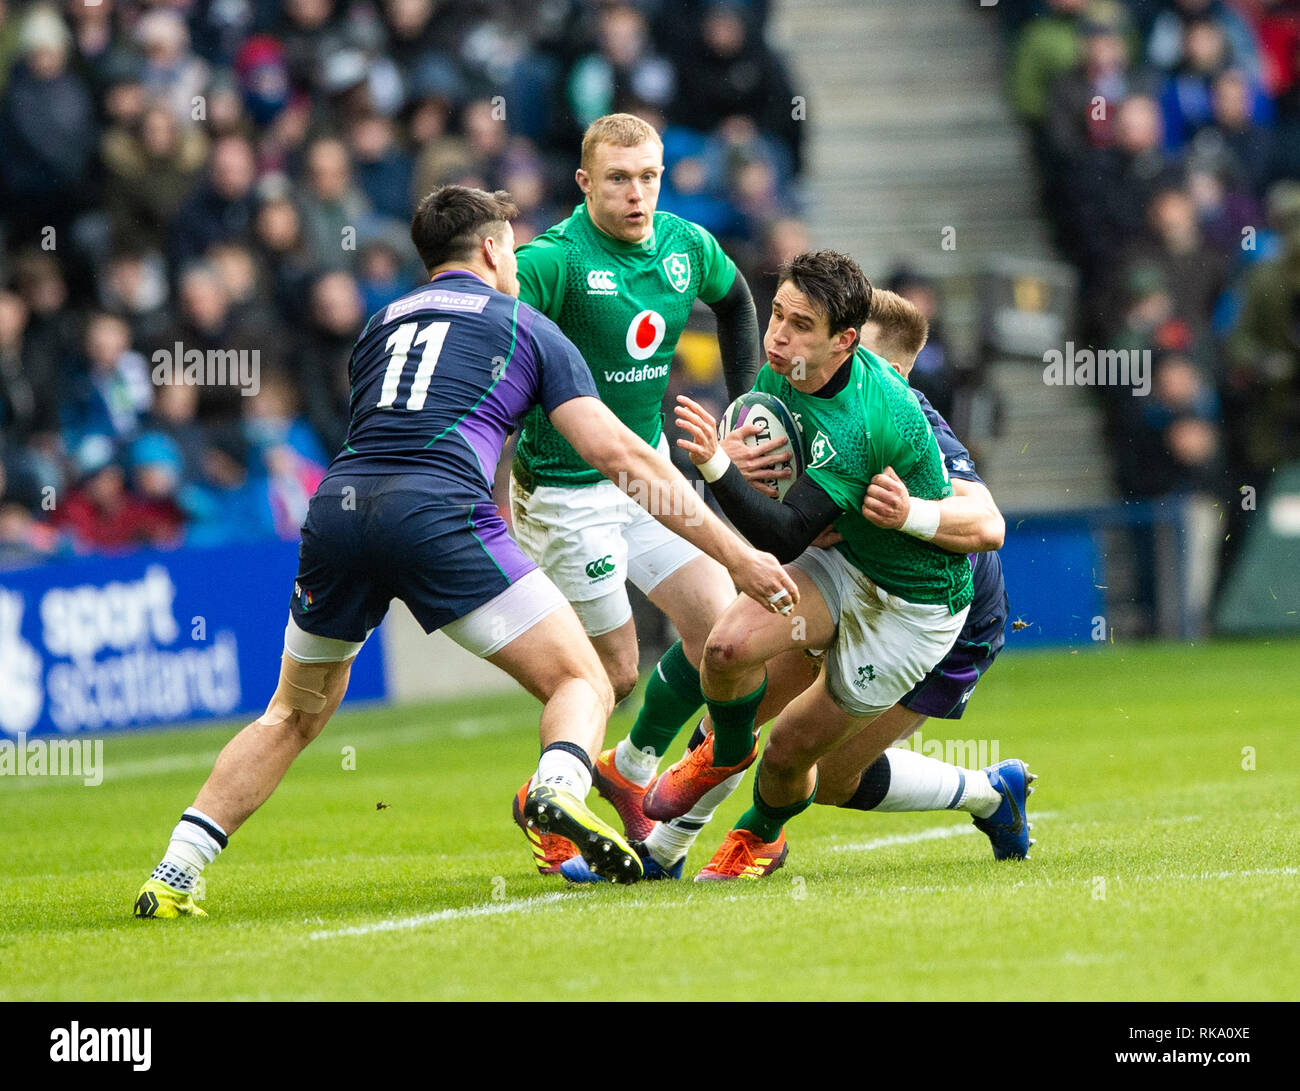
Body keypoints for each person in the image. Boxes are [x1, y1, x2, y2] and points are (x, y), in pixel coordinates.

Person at [132, 185, 797, 917]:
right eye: (510, 244)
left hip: (339, 510)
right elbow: (624, 458)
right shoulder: (529, 329)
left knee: (290, 712)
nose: (516, 258)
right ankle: (557, 791)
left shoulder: (382, 321)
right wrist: (737, 553)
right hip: (439, 511)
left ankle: (174, 871)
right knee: (586, 679)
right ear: (490, 249)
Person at [564, 290, 1034, 882]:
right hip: (851, 577)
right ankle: (663, 851)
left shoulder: (907, 424)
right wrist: (731, 466)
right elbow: (774, 521)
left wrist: (908, 512)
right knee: (739, 688)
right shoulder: (796, 397)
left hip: (945, 617)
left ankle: (991, 794)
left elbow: (988, 523)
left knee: (832, 775)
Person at [507, 113, 766, 871]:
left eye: (649, 175)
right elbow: (497, 344)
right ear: (585, 182)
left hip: (645, 469)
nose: (637, 192)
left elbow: (739, 298)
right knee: (608, 673)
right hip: (565, 494)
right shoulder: (553, 261)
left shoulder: (686, 246)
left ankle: (631, 767)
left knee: (718, 627)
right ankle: (547, 806)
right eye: (618, 178)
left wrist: (748, 405)